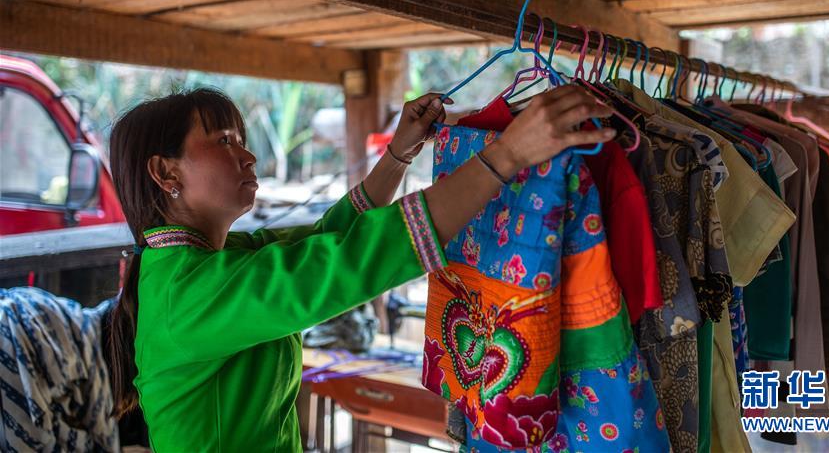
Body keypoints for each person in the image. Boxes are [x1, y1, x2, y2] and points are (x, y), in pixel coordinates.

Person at [106, 84, 614, 451]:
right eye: (222, 141)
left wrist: (398, 155)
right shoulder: (191, 292)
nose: (248, 156)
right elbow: (351, 261)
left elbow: (330, 239)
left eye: (239, 139)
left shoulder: (213, 263)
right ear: (166, 172)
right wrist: (507, 155)